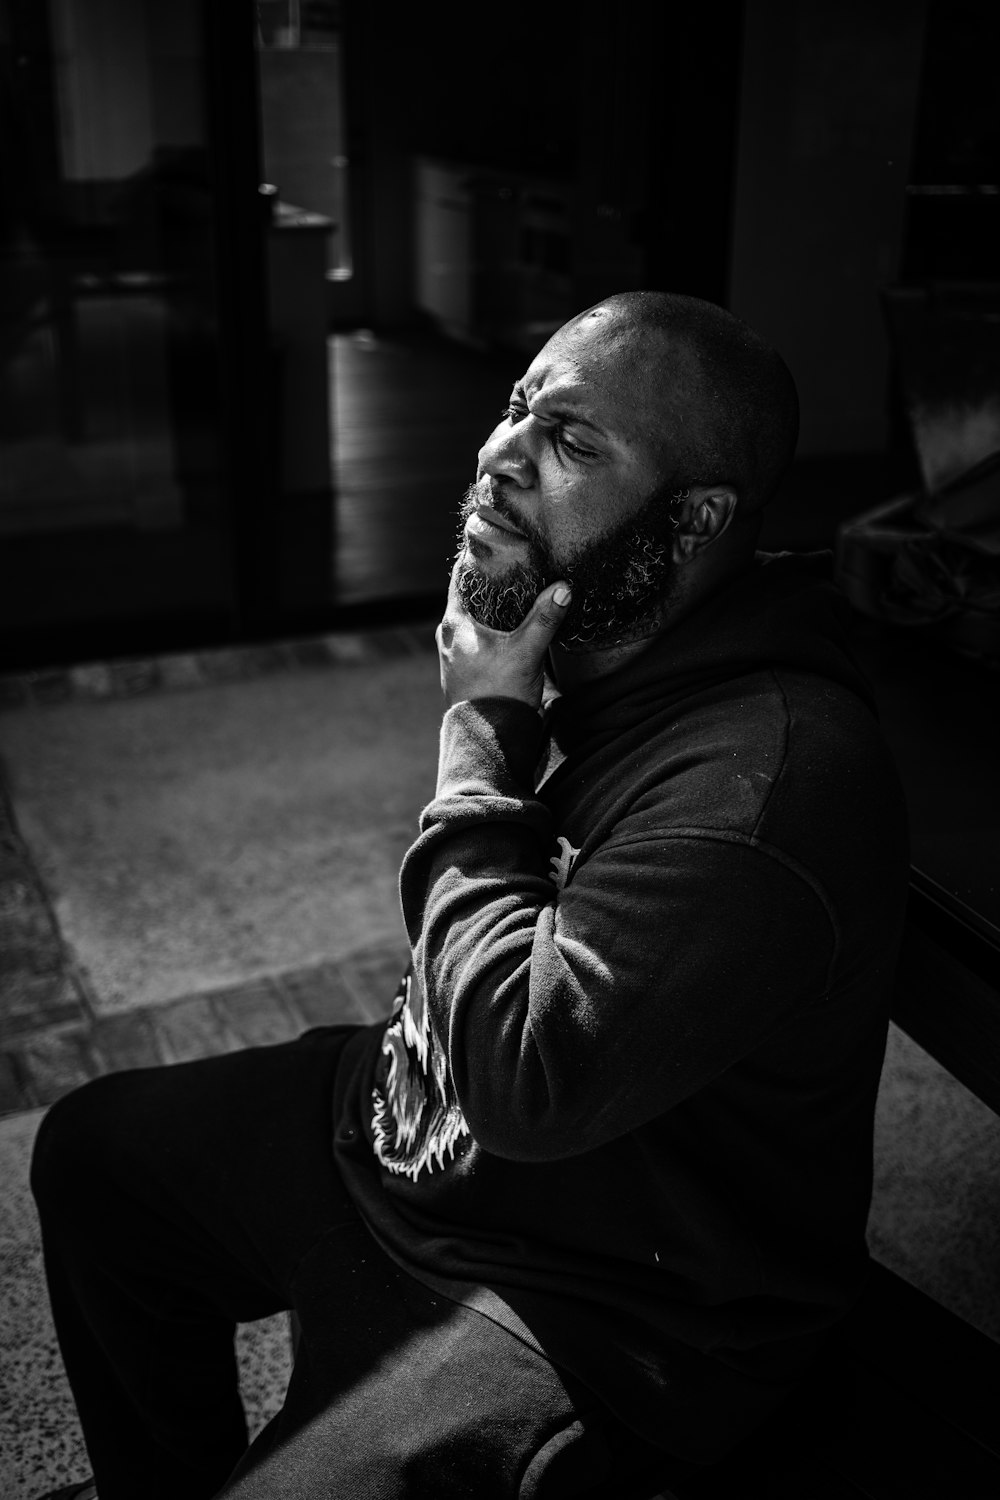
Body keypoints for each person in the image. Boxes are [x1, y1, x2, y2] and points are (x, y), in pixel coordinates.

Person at [31, 291, 909, 1500]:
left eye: (572, 443)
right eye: (517, 410)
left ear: (696, 519)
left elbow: (525, 1082)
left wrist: (482, 733)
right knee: (94, 1156)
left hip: (595, 1301)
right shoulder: (616, 653)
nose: (501, 455)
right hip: (416, 1135)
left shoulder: (765, 780)